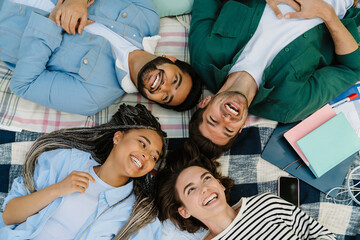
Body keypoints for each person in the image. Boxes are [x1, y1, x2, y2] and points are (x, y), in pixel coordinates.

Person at [188, 0, 360, 158]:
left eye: (213, 120)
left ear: (205, 102)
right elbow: (352, 67)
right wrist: (327, 14)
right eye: (228, 130)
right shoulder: (289, 106)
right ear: (240, 129)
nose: (226, 119)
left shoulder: (203, 56)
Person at [0, 0, 202, 116]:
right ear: (171, 59)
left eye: (166, 97)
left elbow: (24, 84)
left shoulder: (93, 97)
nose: (163, 87)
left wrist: (52, 22)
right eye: (175, 80)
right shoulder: (147, 16)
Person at [0, 104, 167, 239]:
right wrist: (57, 189)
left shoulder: (136, 213)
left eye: (154, 157)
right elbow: (9, 216)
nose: (146, 156)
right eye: (142, 143)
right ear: (118, 137)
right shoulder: (65, 161)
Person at [156, 146, 336, 240]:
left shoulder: (266, 204)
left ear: (220, 184)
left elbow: (322, 235)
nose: (205, 188)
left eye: (206, 178)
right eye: (191, 189)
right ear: (184, 211)